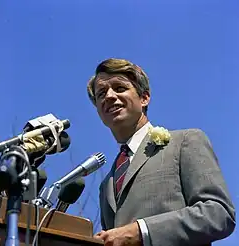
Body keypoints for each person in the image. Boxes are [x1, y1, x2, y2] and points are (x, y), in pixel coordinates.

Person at [87, 58, 236, 246]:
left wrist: (141, 231)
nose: (108, 96)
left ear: (144, 98)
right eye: (101, 93)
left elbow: (218, 213)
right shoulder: (106, 184)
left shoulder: (185, 142)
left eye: (119, 88)